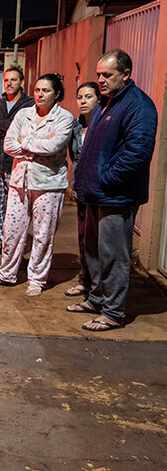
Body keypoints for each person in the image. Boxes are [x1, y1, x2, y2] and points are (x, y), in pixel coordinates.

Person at [71, 50, 158, 331]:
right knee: (94, 251)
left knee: (114, 255)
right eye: (98, 74)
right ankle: (96, 299)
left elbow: (137, 153)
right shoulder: (104, 104)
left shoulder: (139, 106)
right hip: (97, 193)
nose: (100, 80)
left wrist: (106, 179)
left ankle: (113, 312)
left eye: (107, 75)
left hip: (116, 195)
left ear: (126, 74)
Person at [0, 73, 73, 296]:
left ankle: (37, 279)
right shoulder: (23, 115)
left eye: (46, 91)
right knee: (11, 230)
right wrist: (33, 146)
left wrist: (25, 143)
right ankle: (6, 273)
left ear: (57, 94)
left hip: (48, 184)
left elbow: (54, 146)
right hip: (19, 181)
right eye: (38, 90)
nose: (40, 94)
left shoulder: (65, 118)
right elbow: (8, 145)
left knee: (43, 233)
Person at [0, 66, 35, 257]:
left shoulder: (29, 104)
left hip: (16, 164)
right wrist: (10, 128)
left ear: (21, 82)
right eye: (6, 80)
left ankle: (12, 245)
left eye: (13, 80)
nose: (9, 83)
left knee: (16, 208)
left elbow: (26, 130)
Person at [65, 82, 102, 298]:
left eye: (89, 96)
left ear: (98, 99)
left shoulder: (102, 124)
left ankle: (98, 287)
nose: (83, 101)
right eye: (80, 97)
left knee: (96, 240)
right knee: (82, 237)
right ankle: (84, 280)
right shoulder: (76, 126)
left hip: (98, 190)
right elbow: (73, 155)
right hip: (80, 188)